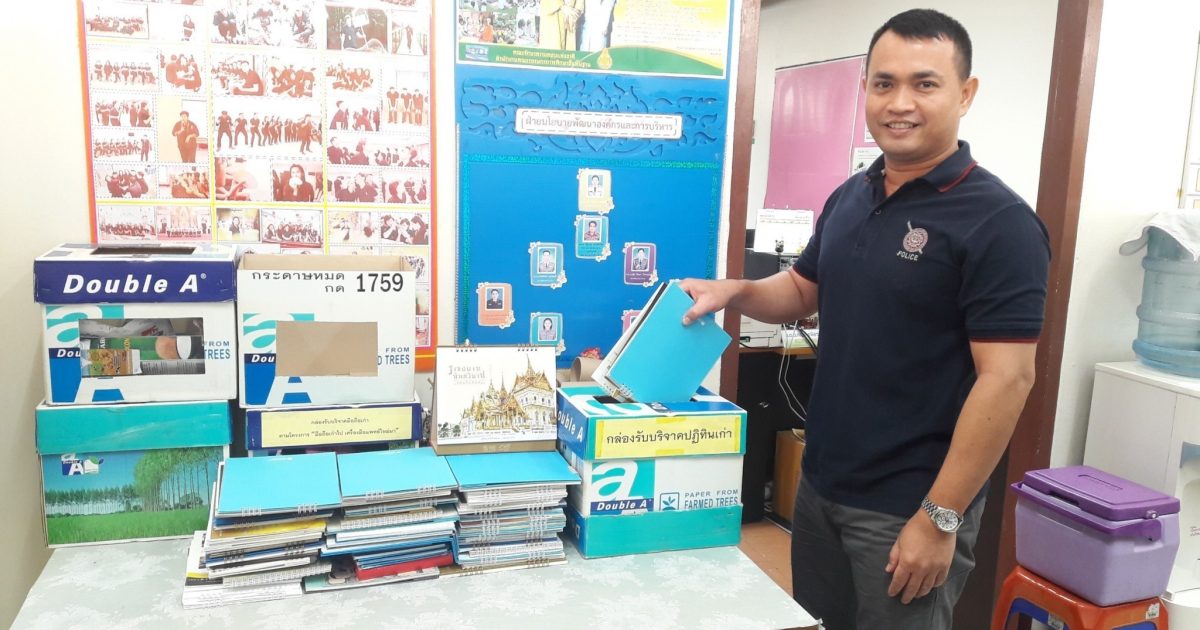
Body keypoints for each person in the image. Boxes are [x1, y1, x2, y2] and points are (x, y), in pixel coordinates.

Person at [679, 10, 1049, 630]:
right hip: (823, 487)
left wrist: (940, 519)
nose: (900, 103)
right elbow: (802, 290)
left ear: (965, 94)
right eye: (884, 83)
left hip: (910, 506)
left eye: (924, 84)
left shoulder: (999, 222)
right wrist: (735, 291)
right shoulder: (851, 195)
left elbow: (1008, 379)